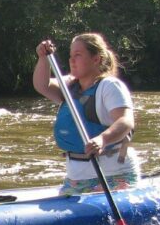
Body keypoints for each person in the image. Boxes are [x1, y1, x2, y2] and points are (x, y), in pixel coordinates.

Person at [32, 33, 140, 195]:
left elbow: (125, 121)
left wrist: (102, 139)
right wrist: (43, 58)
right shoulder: (69, 86)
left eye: (78, 55)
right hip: (77, 179)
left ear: (96, 59)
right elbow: (42, 86)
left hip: (114, 175)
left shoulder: (110, 86)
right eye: (70, 56)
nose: (72, 60)